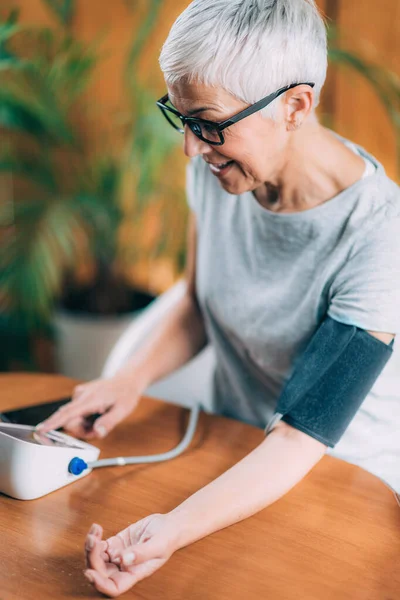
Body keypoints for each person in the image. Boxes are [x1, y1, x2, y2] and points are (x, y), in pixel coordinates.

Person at [38, 0, 400, 596]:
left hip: (336, 480)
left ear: (296, 105)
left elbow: (298, 436)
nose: (189, 148)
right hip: (228, 444)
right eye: (180, 119)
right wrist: (128, 381)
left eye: (206, 121)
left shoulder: (379, 238)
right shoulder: (220, 167)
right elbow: (196, 300)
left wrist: (173, 528)